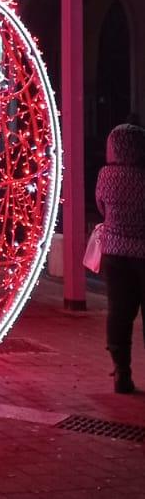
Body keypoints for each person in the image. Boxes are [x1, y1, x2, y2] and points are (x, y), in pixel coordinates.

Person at [95, 121, 145, 393]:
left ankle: (122, 372)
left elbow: (101, 206)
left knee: (119, 313)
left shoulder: (106, 175)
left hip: (115, 253)